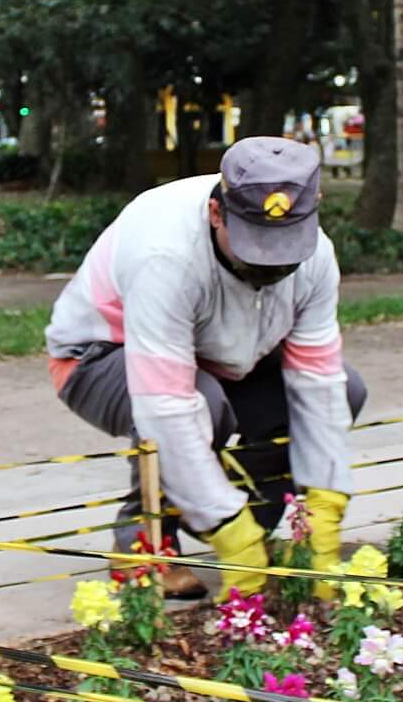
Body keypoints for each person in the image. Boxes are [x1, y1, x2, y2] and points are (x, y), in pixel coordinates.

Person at [46, 137, 366, 600]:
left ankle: (249, 519)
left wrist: (326, 502)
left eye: (285, 250)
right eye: (258, 248)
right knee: (200, 406)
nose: (273, 266)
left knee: (347, 389)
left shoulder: (316, 256)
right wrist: (223, 522)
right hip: (98, 357)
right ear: (218, 214)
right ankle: (148, 541)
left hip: (224, 355)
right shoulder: (167, 254)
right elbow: (166, 405)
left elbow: (317, 380)